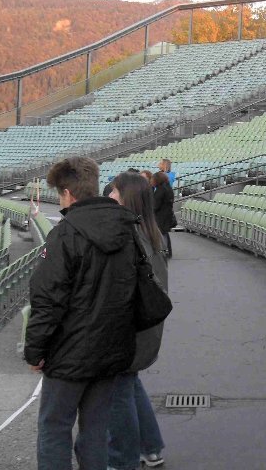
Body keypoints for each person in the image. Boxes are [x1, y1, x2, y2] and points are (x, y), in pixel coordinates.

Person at [24, 156, 139, 470]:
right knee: (96, 430)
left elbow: (47, 300)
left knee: (54, 426)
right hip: (111, 350)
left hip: (69, 354)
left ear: (67, 193)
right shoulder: (126, 229)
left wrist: (35, 351)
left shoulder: (65, 234)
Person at [106, 172, 168, 470]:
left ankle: (121, 460)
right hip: (147, 326)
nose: (109, 196)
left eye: (114, 192)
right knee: (129, 383)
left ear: (127, 198)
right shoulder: (149, 232)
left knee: (118, 392)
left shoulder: (128, 237)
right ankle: (151, 448)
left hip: (130, 328)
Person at [152, 171, 175, 258]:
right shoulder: (168, 187)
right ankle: (166, 251)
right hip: (166, 214)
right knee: (164, 233)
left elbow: (156, 205)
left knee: (162, 233)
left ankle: (164, 251)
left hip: (161, 215)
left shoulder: (160, 190)